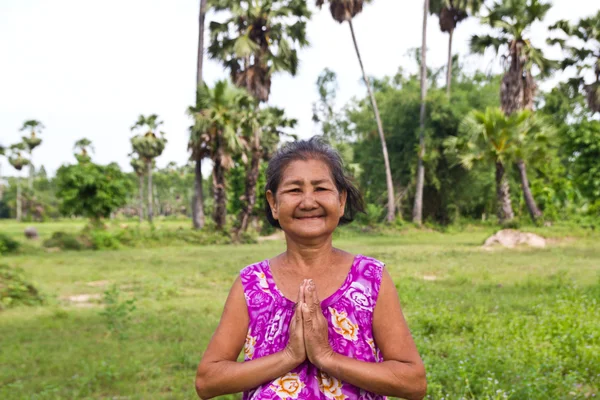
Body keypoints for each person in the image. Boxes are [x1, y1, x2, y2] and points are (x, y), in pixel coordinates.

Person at [195, 138, 426, 400]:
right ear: (273, 203)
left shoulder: (370, 279)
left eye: (320, 189)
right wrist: (289, 356)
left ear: (340, 200)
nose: (308, 202)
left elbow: (413, 382)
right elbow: (207, 381)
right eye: (294, 190)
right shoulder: (251, 284)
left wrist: (326, 357)